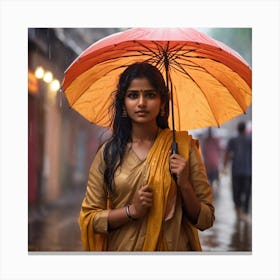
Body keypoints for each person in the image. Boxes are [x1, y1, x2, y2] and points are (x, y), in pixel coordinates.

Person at [79, 62, 215, 251]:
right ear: (124, 103)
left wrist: (184, 185)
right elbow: (90, 218)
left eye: (150, 95)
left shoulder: (183, 149)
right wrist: (132, 211)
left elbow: (206, 219)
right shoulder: (108, 154)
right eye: (133, 95)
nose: (141, 103)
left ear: (162, 103)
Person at [223, 121, 252, 221]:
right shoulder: (250, 139)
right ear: (244, 129)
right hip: (248, 171)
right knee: (247, 192)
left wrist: (224, 166)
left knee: (236, 191)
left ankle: (238, 209)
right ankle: (245, 211)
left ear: (237, 129)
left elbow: (227, 153)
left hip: (236, 171)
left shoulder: (233, 140)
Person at [202, 128, 222, 192]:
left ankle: (211, 189)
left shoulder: (205, 141)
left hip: (208, 163)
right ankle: (216, 188)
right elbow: (219, 150)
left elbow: (204, 151)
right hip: (214, 163)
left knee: (210, 178)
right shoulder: (216, 140)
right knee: (215, 177)